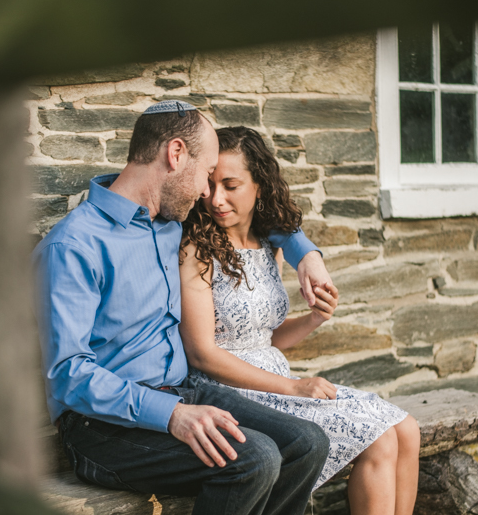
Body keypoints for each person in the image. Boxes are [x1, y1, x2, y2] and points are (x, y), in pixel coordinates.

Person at [35, 101, 335, 515]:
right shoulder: (73, 247)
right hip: (100, 427)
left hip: (183, 389)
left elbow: (263, 210)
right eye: (206, 174)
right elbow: (69, 376)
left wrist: (308, 255)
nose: (207, 193)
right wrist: (171, 414)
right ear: (176, 154)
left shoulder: (171, 220)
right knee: (254, 459)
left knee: (307, 442)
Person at [178, 126, 421, 515]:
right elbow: (202, 354)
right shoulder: (197, 250)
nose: (216, 199)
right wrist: (292, 386)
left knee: (406, 429)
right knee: (380, 441)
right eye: (210, 185)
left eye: (231, 185)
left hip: (277, 377)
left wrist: (313, 319)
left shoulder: (267, 244)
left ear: (260, 186)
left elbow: (265, 337)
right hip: (229, 388)